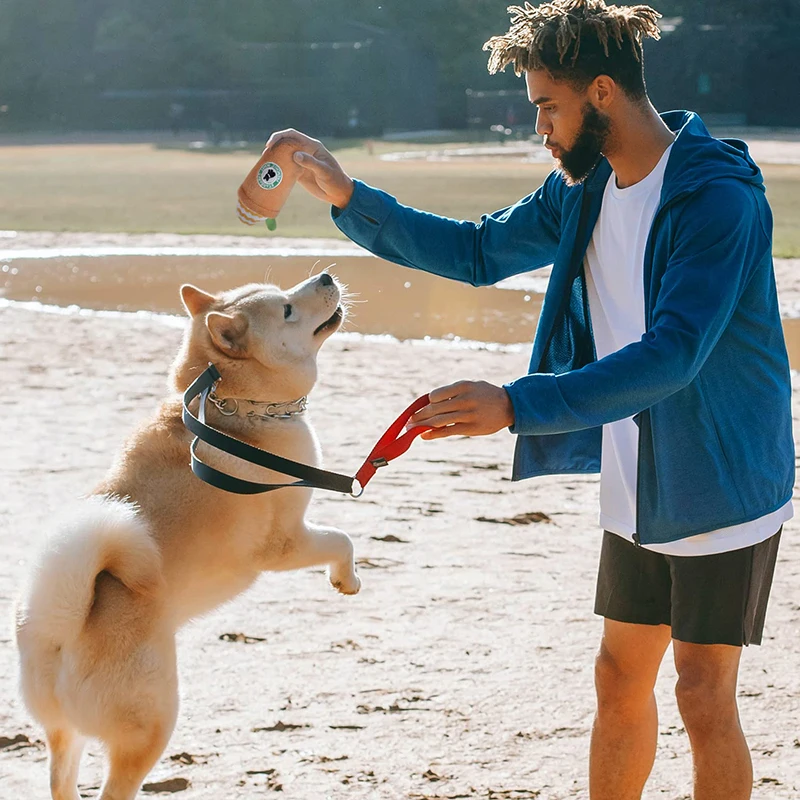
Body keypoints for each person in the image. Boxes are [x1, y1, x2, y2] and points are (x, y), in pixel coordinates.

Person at [266, 2, 794, 798]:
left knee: (699, 691)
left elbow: (675, 354)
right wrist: (348, 196)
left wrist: (518, 403)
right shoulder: (584, 188)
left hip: (721, 471)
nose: (539, 127)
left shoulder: (717, 199)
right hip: (638, 470)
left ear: (604, 92)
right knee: (619, 675)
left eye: (548, 106)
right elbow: (478, 250)